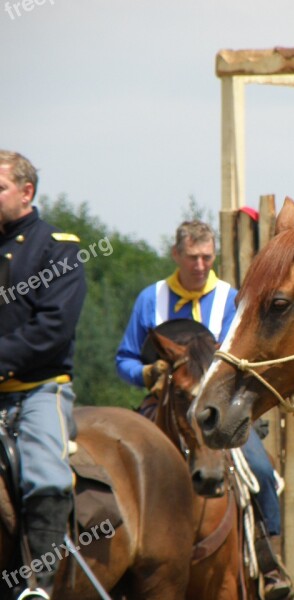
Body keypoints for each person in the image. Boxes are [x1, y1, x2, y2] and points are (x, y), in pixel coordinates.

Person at [115, 220, 292, 598]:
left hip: (219, 411)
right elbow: (124, 359)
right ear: (176, 255)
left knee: (259, 467)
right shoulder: (152, 298)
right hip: (164, 404)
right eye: (192, 257)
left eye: (206, 257)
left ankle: (269, 559)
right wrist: (147, 372)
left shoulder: (231, 298)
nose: (199, 265)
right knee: (118, 466)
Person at [0, 150, 87, 599]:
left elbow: (53, 328)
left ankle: (37, 585)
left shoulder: (58, 246)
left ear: (26, 192)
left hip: (37, 390)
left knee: (46, 474)